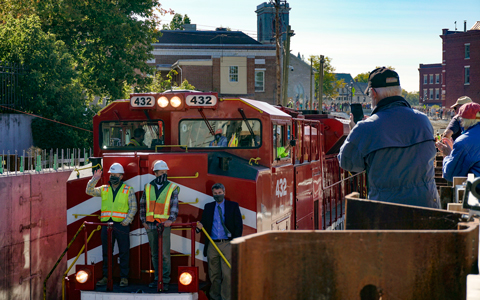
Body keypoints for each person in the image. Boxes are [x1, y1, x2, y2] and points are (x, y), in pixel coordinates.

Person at [338, 67, 439, 208]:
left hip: (387, 212)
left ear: (373, 93)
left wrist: (354, 132)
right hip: (428, 208)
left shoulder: (365, 128)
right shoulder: (423, 120)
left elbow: (347, 163)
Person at [86, 163, 137, 287]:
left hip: (121, 225)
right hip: (107, 226)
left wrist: (126, 221)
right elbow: (89, 191)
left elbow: (133, 207)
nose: (113, 176)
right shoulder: (104, 189)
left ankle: (124, 277)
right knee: (106, 252)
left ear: (121, 176)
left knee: (124, 252)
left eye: (115, 175)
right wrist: (95, 179)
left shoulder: (127, 190)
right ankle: (106, 277)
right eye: (111, 174)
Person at [197, 183, 243, 300]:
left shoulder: (232, 206)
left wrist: (234, 243)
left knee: (227, 274)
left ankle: (226, 298)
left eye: (219, 193)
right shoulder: (208, 207)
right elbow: (203, 223)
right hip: (212, 244)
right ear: (212, 194)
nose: (218, 195)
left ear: (224, 192)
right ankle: (214, 297)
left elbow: (239, 226)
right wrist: (198, 227)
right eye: (215, 193)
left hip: (227, 244)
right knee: (214, 274)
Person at [139, 160, 179, 290]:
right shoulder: (148, 187)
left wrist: (170, 220)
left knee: (165, 254)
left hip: (164, 225)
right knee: (155, 254)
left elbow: (174, 206)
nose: (164, 174)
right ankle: (157, 279)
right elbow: (143, 205)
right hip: (150, 225)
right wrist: (143, 221)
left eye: (165, 172)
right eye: (161, 172)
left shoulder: (172, 187)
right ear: (155, 173)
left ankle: (165, 280)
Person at [436, 102, 480, 181]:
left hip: (476, 190)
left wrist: (448, 155)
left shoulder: (463, 142)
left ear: (462, 120)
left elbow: (450, 175)